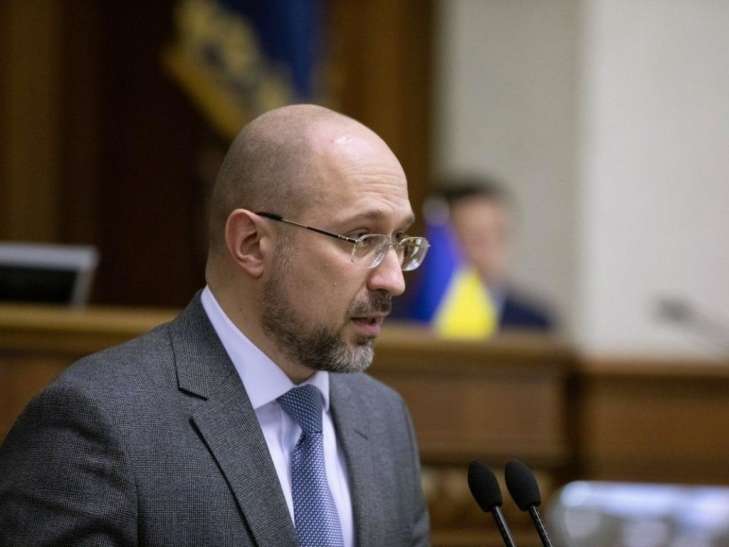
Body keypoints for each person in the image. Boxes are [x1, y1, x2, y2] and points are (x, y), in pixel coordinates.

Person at [0, 105, 431, 546]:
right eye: (361, 239)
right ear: (251, 243)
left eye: (400, 240)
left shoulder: (383, 418)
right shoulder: (99, 422)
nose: (394, 280)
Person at [441, 177, 555, 331]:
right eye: (476, 237)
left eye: (499, 234)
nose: (490, 248)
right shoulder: (417, 315)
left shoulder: (535, 324)